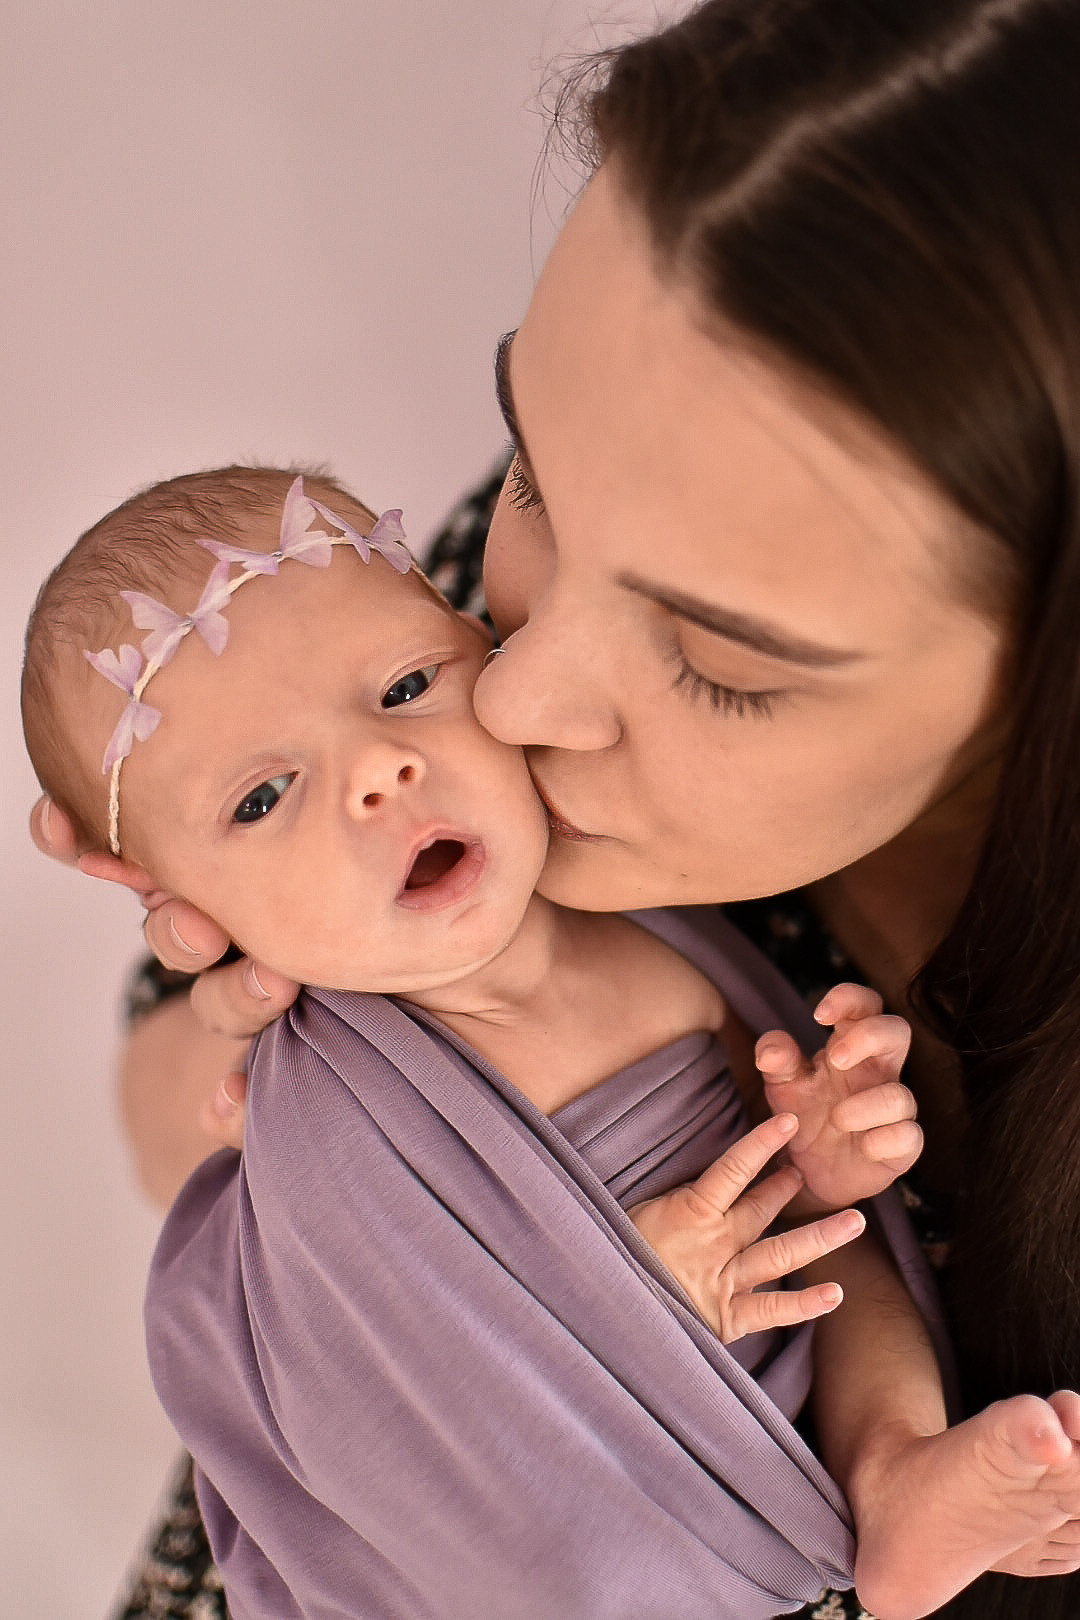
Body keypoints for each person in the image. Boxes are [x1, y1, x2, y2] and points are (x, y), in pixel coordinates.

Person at [29, 1, 1080, 1616]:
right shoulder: (425, 629)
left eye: (719, 659)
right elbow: (175, 1139)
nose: (504, 692)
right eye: (530, 466)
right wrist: (259, 1034)